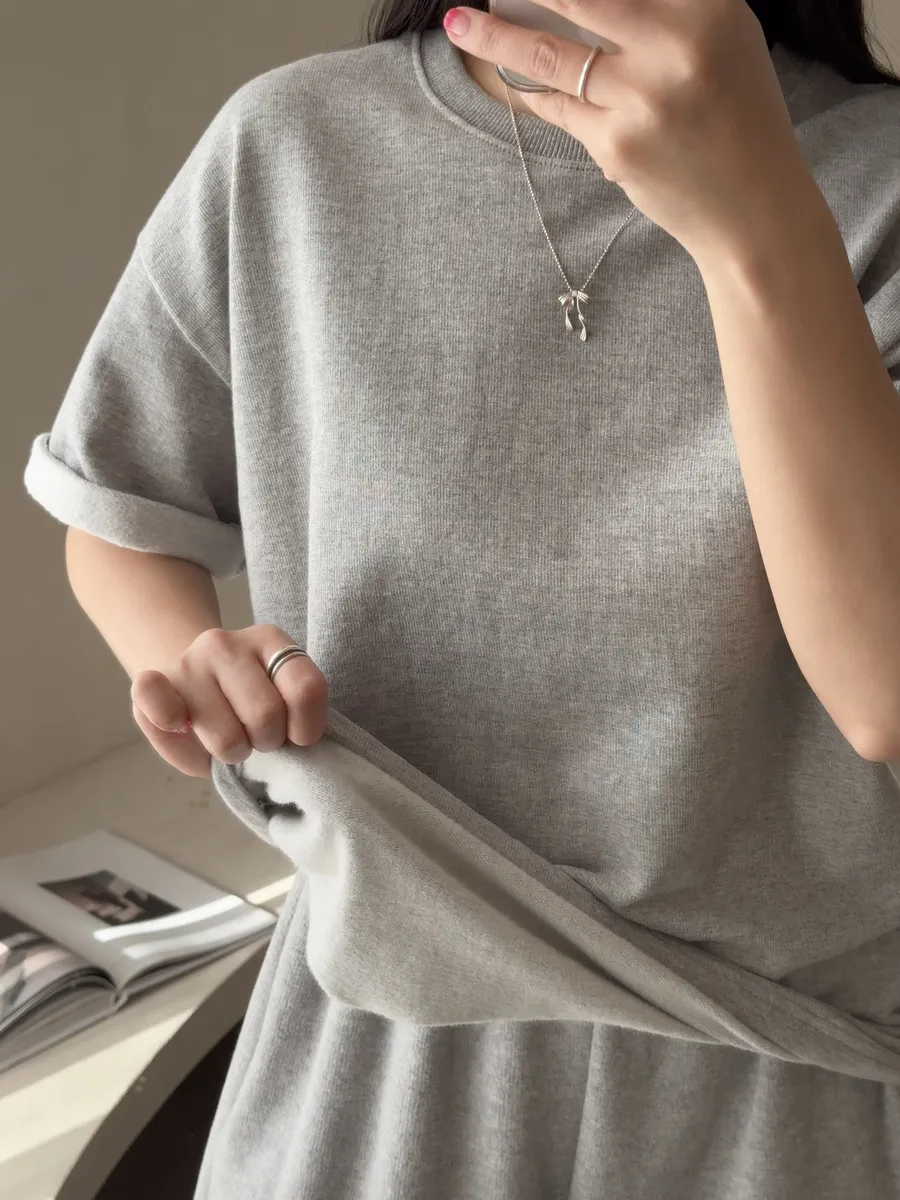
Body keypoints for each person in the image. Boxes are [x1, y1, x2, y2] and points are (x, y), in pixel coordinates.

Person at [21, 0, 900, 1194]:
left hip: (783, 1084)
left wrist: (759, 224)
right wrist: (192, 661)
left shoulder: (878, 178)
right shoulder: (295, 146)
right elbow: (116, 511)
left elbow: (882, 688)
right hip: (376, 1061)